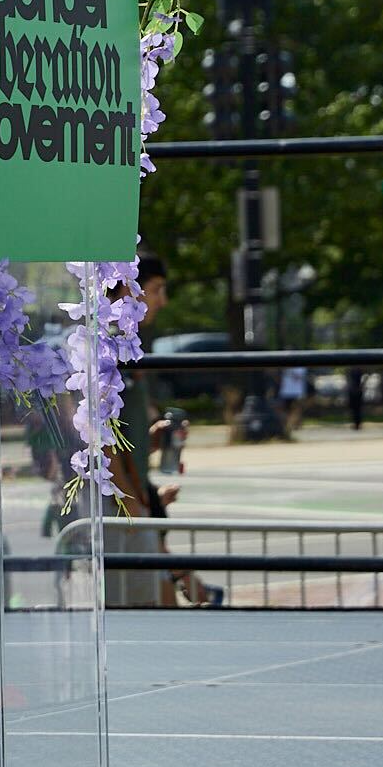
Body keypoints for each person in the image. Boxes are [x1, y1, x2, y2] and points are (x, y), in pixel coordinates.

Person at [108, 253, 217, 608]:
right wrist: (132, 506)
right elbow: (102, 445)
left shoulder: (128, 348)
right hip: (123, 509)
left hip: (132, 505)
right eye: (155, 289)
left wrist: (152, 440)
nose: (162, 301)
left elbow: (122, 440)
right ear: (128, 286)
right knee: (157, 613)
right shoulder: (107, 349)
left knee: (155, 609)